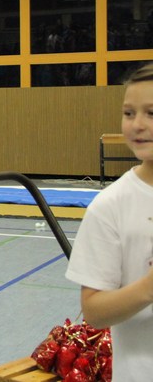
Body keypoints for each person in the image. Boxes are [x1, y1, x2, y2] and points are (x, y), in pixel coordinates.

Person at [66, 62, 153, 381]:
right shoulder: (110, 206)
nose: (137, 124)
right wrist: (147, 288)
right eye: (129, 113)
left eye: (151, 113)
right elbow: (94, 311)